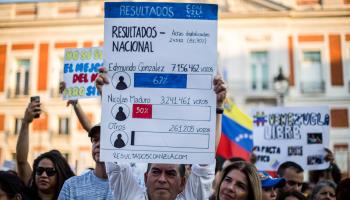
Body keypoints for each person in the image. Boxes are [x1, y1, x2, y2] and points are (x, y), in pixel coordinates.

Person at [96, 68, 227, 200]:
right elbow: (115, 157)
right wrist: (109, 97)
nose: (162, 179)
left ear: (182, 183)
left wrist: (217, 106)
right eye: (156, 172)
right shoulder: (130, 196)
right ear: (146, 178)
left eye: (170, 173)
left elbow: (206, 154)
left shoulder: (192, 197)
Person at [16, 101, 75, 200]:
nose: (43, 175)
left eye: (50, 171)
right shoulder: (29, 192)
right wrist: (25, 122)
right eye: (39, 171)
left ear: (60, 174)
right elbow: (21, 161)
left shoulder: (71, 196)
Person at [58, 124, 113, 199]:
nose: (98, 144)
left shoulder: (127, 187)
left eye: (105, 140)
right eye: (95, 140)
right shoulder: (71, 186)